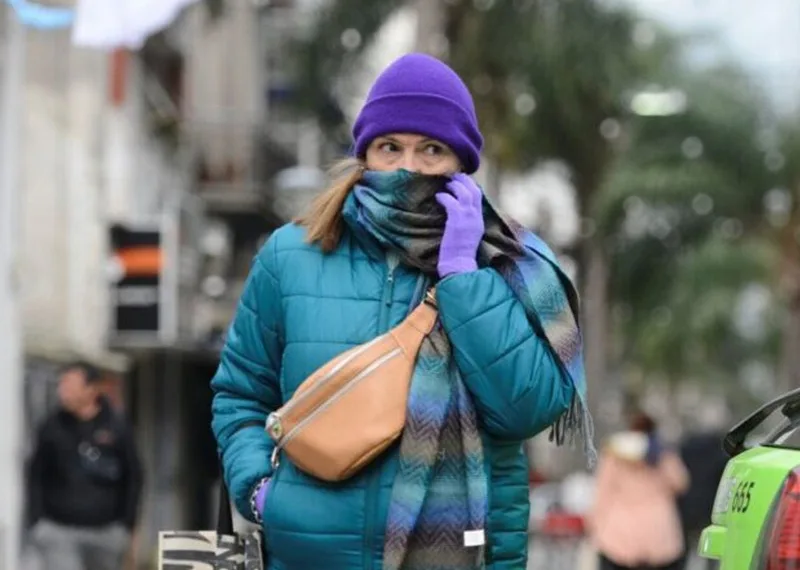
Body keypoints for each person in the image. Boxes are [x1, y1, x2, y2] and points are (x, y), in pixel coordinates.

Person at [211, 52, 592, 570]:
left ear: (460, 163)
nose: (408, 167)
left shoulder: (505, 265)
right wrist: (261, 492)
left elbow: (527, 408)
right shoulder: (291, 256)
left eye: (431, 149)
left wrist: (462, 280)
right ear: (366, 154)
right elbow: (241, 394)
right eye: (390, 147)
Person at [28, 360, 143, 570]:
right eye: (62, 385)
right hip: (59, 531)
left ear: (92, 389)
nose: (63, 392)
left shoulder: (117, 426)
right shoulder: (52, 426)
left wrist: (128, 524)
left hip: (107, 533)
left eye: (70, 385)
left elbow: (134, 476)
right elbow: (35, 473)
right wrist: (37, 521)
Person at [588, 411, 689, 570]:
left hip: (619, 533)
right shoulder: (663, 453)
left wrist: (594, 525)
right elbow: (680, 483)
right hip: (658, 532)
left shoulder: (614, 453)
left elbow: (603, 492)